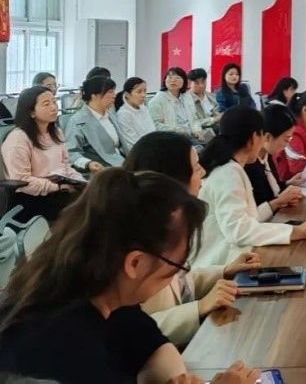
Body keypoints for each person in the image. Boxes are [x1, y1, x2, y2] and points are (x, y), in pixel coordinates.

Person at [0, 168, 260, 384]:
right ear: (136, 263)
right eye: (176, 266)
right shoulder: (63, 348)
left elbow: (151, 345)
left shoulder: (102, 292)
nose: (178, 274)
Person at [123, 132, 261, 348]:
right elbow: (132, 332)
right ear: (174, 179)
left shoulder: (171, 223)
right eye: (196, 168)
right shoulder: (137, 241)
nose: (203, 173)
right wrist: (200, 307)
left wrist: (225, 271)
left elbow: (181, 282)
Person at [193, 106, 306, 268]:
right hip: (222, 264)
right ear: (254, 137)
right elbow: (239, 231)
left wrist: (284, 215)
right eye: (262, 135)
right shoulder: (228, 173)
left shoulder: (233, 169)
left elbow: (250, 219)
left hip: (237, 259)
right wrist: (296, 232)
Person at [0, 86, 84, 222]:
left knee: (96, 194)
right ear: (31, 112)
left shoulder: (56, 132)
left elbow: (65, 166)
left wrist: (80, 181)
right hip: (30, 197)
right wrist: (57, 187)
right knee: (84, 208)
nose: (54, 107)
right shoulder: (18, 138)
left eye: (54, 102)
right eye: (46, 104)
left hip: (57, 187)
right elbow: (21, 179)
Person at [244, 104, 302, 207]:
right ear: (267, 137)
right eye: (286, 139)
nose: (287, 144)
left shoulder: (267, 156)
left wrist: (288, 184)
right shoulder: (248, 163)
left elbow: (273, 190)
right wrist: (279, 201)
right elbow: (256, 207)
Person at [66, 76, 125, 173]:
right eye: (110, 92)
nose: (114, 95)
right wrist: (88, 163)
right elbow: (71, 152)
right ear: (94, 96)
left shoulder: (111, 115)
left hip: (120, 162)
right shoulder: (78, 121)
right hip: (102, 169)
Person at [149, 67, 200, 143]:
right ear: (165, 80)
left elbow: (194, 118)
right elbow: (155, 125)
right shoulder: (157, 100)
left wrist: (197, 130)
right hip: (170, 139)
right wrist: (176, 130)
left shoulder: (187, 97)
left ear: (184, 81)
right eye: (170, 77)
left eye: (177, 78)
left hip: (191, 137)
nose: (173, 80)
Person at [114, 77, 156, 155]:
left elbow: (152, 131)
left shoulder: (144, 108)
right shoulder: (123, 114)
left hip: (152, 149)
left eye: (145, 91)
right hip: (137, 154)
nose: (143, 95)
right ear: (127, 94)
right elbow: (131, 144)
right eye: (139, 92)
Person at [183, 67, 221, 140]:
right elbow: (193, 122)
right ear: (189, 83)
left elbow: (218, 113)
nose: (201, 85)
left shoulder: (212, 97)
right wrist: (214, 119)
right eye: (196, 83)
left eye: (203, 82)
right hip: (197, 132)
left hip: (215, 128)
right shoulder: (186, 99)